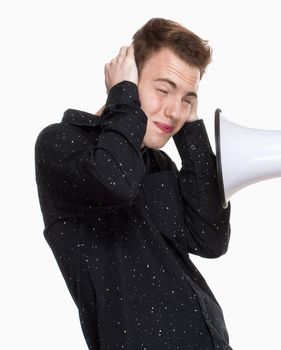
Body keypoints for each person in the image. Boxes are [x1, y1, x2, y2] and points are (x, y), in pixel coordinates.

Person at [35, 18, 231, 349]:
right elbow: (116, 182)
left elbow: (210, 239)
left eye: (188, 98)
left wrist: (192, 130)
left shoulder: (159, 163)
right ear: (130, 76)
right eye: (164, 89)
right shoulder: (60, 143)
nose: (174, 111)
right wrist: (122, 96)